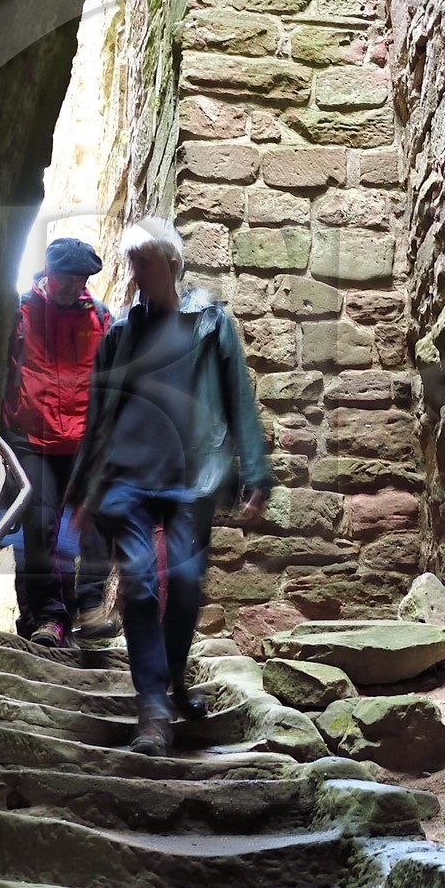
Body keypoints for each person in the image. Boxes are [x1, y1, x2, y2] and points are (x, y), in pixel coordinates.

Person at [65, 218, 272, 753]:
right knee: (138, 584)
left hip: (192, 478)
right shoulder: (118, 333)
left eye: (145, 265)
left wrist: (256, 472)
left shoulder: (210, 322)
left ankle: (174, 681)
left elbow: (237, 399)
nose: (136, 276)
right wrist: (84, 488)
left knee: (182, 589)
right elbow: (98, 413)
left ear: (173, 265)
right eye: (131, 265)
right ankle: (152, 712)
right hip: (126, 481)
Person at [0, 234, 114, 655]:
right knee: (40, 527)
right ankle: (50, 616)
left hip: (84, 440)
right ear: (48, 272)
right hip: (33, 438)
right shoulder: (21, 312)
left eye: (80, 280)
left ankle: (90, 606)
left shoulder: (100, 318)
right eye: (67, 279)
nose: (73, 287)